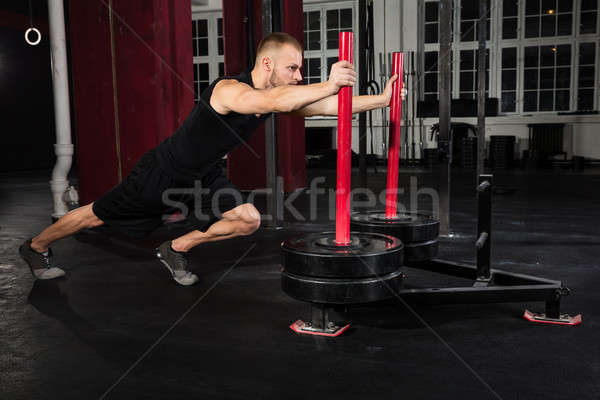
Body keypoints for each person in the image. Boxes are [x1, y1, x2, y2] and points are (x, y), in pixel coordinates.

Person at [19, 32, 403, 286]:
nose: (299, 75)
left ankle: (176, 248)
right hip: (163, 172)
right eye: (293, 67)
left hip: (205, 175)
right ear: (267, 64)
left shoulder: (280, 95)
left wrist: (382, 101)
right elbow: (269, 101)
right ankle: (35, 246)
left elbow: (323, 107)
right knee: (95, 215)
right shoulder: (231, 90)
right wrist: (331, 81)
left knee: (247, 220)